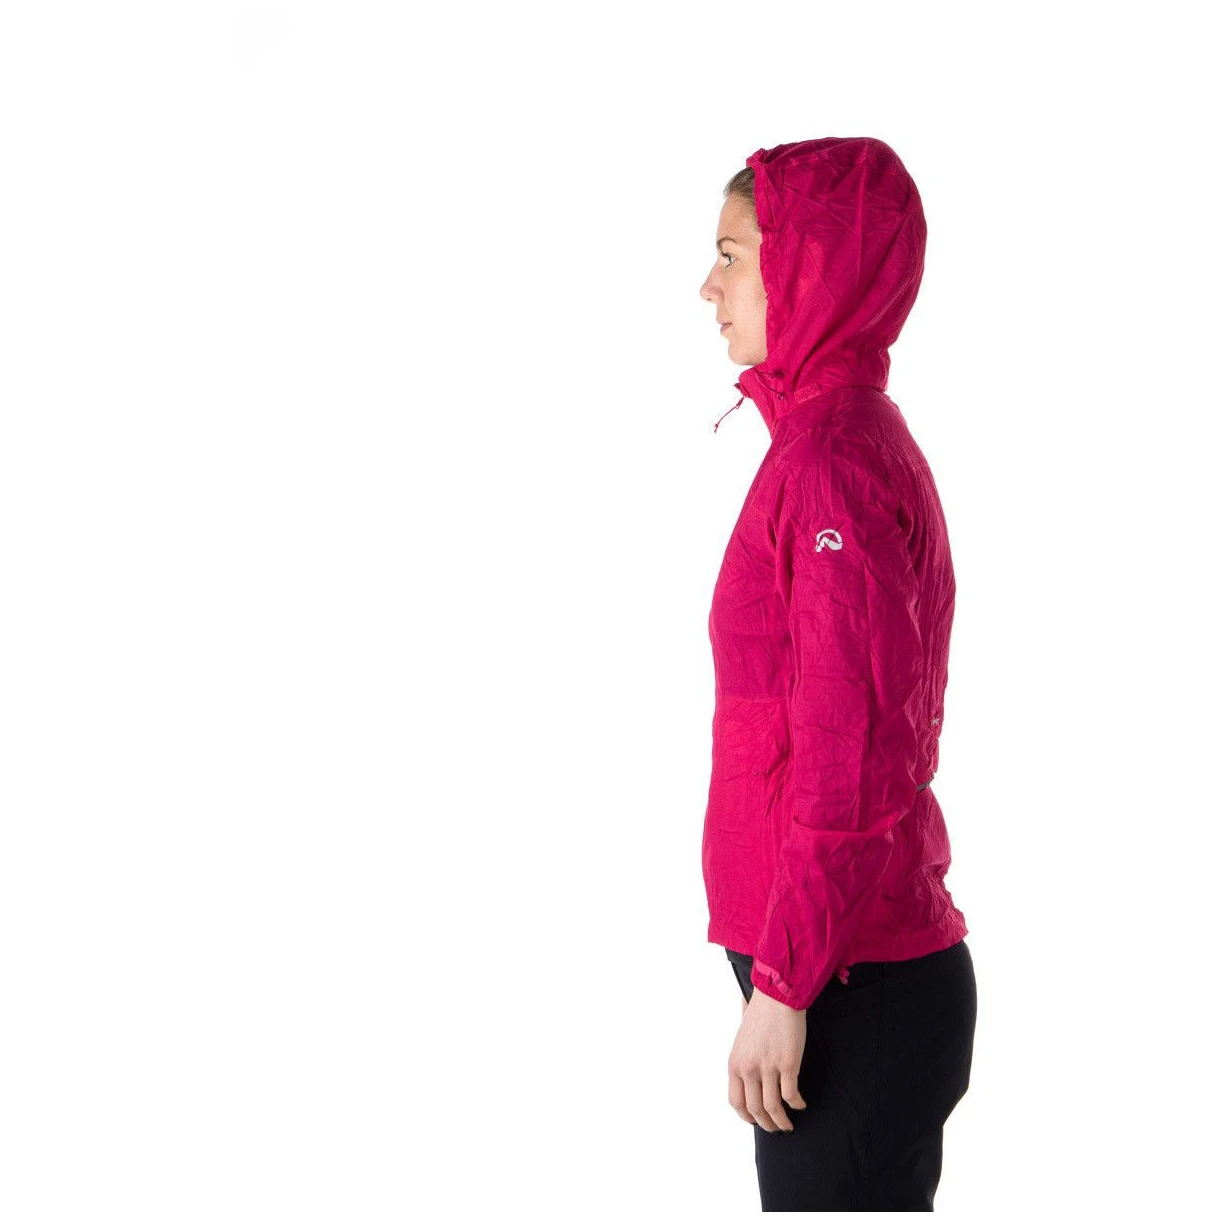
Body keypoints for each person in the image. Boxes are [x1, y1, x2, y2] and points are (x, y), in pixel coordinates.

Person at [697, 137, 978, 1212]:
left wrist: (782, 983)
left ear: (805, 269)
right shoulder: (825, 444)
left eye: (732, 255)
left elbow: (847, 752)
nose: (708, 286)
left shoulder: (832, 465)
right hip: (840, 975)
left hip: (845, 988)